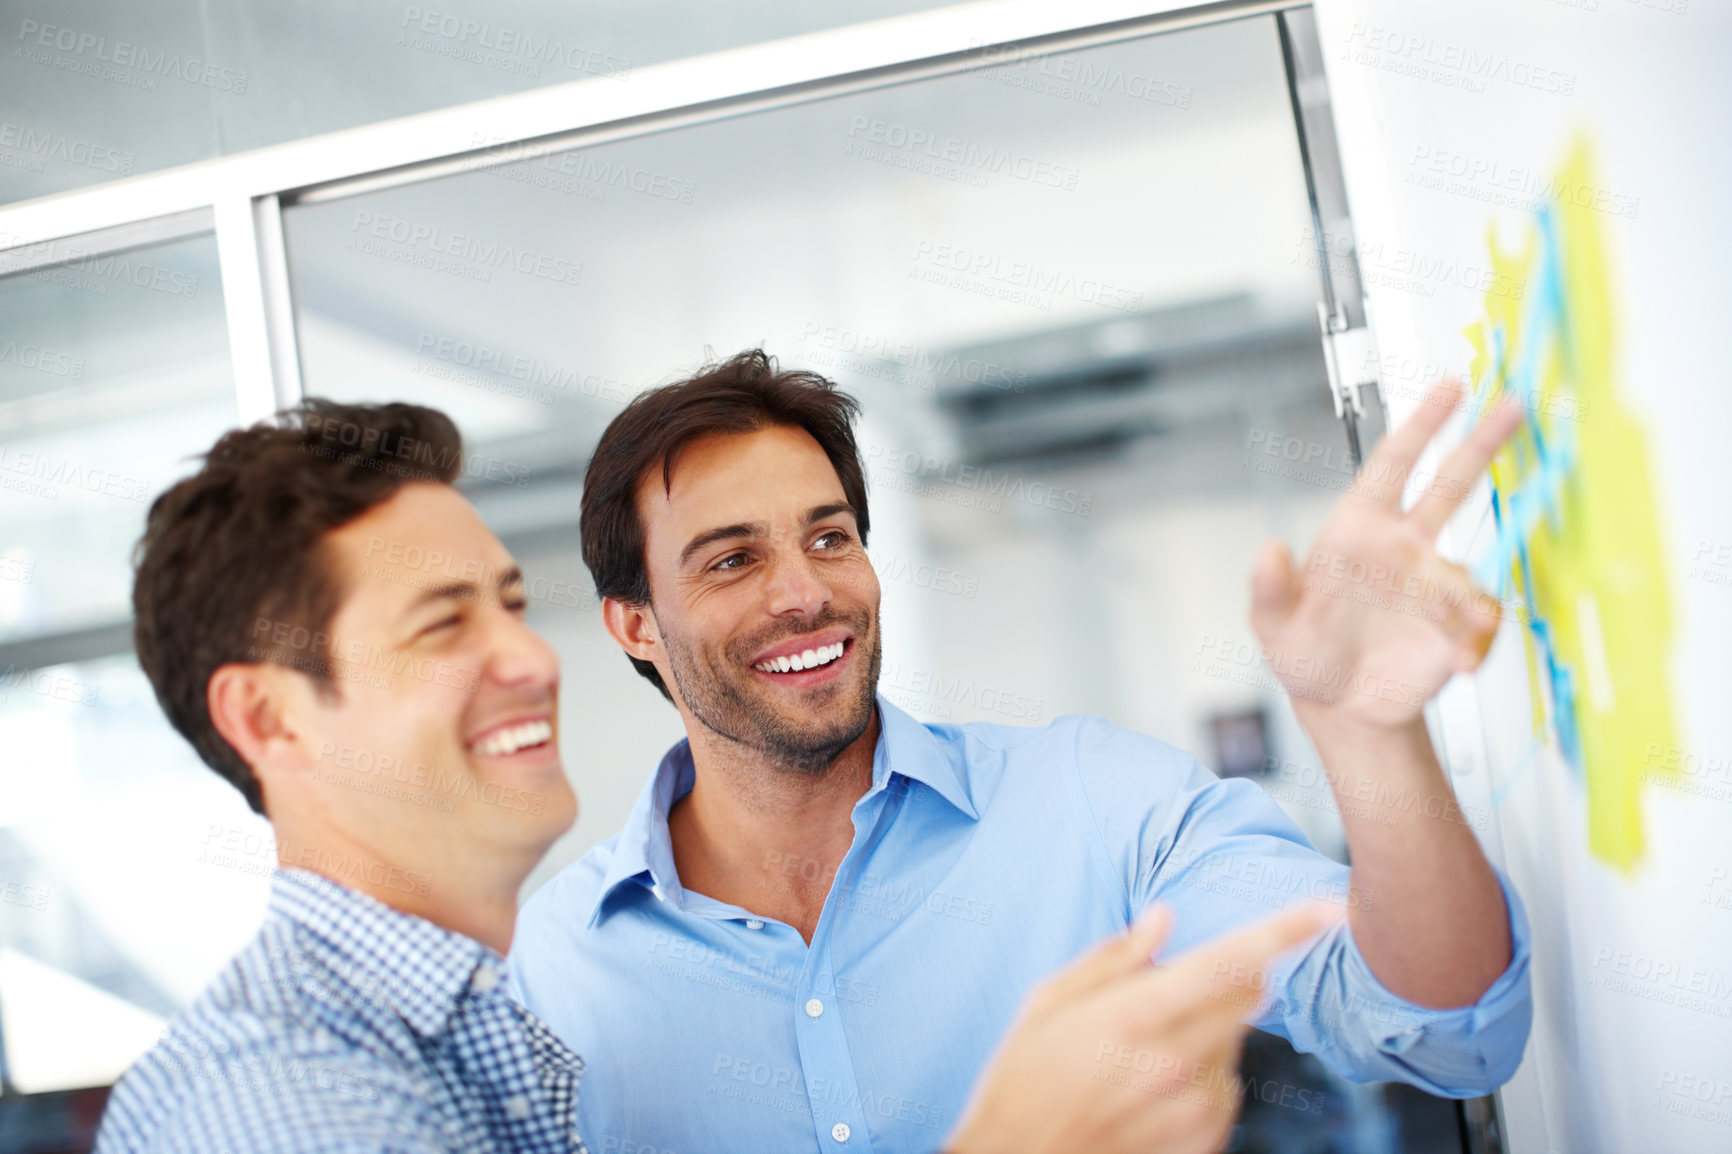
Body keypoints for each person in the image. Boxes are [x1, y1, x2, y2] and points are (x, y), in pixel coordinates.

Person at [94, 397, 1341, 1154]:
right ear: (266, 715)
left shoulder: (487, 1031)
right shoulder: (283, 1106)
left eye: (512, 605)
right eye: (441, 625)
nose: (527, 658)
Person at [509, 349, 1536, 1154]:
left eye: (828, 537)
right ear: (635, 624)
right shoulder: (556, 975)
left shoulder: (1095, 805)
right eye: (732, 558)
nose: (802, 592)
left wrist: (1371, 738)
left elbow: (1439, 1024)